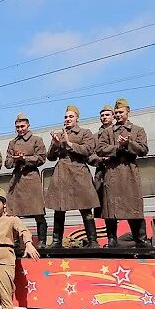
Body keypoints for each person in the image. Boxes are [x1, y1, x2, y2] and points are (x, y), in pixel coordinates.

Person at [43, 105, 101, 248]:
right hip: (62, 173)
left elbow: (88, 150)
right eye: (66, 117)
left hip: (79, 172)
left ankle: (93, 241)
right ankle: (56, 241)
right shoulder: (59, 134)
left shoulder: (85, 132)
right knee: (59, 208)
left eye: (71, 117)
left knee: (86, 207)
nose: (67, 119)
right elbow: (50, 157)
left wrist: (69, 143)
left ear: (77, 118)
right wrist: (56, 145)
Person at [96, 98, 149, 248]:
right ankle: (111, 238)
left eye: (121, 112)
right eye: (116, 113)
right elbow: (100, 149)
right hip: (112, 172)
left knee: (134, 206)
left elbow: (144, 149)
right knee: (110, 208)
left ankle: (140, 239)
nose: (118, 115)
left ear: (128, 112)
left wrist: (128, 144)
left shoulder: (138, 130)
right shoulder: (108, 132)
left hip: (130, 172)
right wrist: (117, 148)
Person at [5, 113, 48, 247]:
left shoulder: (37, 140)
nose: (20, 129)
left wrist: (25, 159)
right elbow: (7, 163)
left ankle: (42, 241)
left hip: (31, 179)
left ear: (28, 125)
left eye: (22, 126)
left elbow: (41, 158)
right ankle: (16, 242)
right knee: (13, 214)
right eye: (17, 127)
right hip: (17, 180)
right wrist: (14, 159)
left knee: (38, 212)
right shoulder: (12, 143)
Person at [89, 105, 116, 219]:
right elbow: (89, 156)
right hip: (101, 173)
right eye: (102, 115)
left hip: (117, 170)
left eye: (107, 115)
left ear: (113, 116)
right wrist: (101, 159)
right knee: (100, 204)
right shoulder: (95, 137)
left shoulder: (118, 133)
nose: (104, 117)